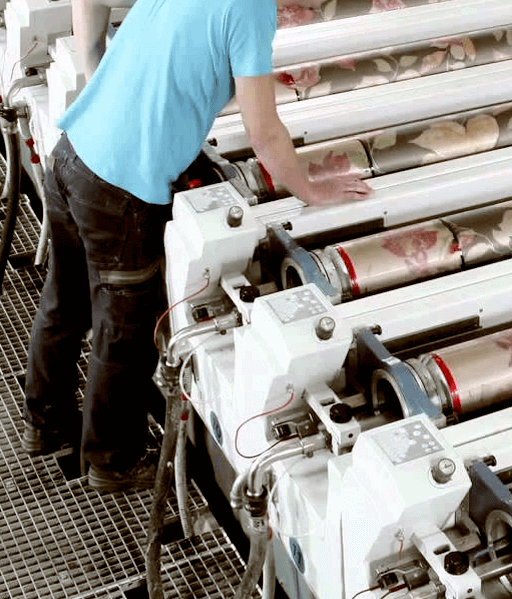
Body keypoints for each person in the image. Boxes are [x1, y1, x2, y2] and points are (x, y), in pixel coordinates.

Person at [21, 0, 373, 493]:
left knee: (65, 300)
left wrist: (108, 83)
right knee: (123, 332)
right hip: (120, 193)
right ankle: (111, 461)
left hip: (74, 151)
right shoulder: (251, 10)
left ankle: (45, 423)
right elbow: (263, 132)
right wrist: (310, 189)